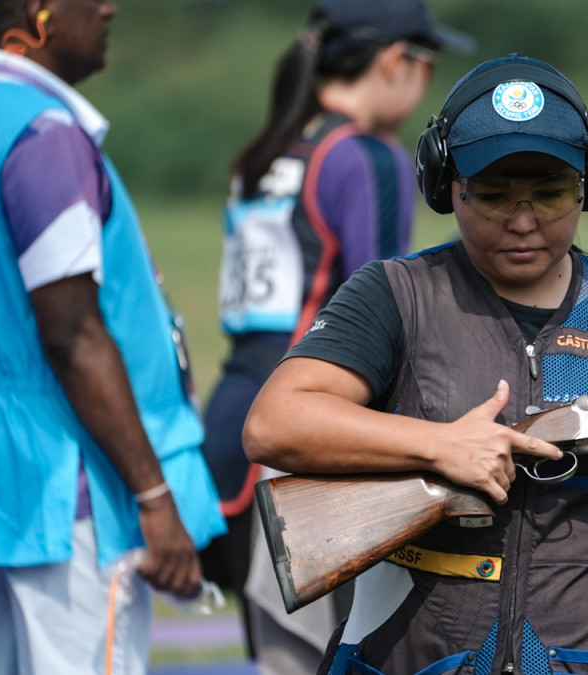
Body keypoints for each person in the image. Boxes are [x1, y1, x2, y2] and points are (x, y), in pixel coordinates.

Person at [243, 53, 588, 675]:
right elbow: (275, 423)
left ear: (587, 188)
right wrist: (440, 446)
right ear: (447, 187)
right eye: (491, 196)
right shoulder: (394, 293)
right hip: (415, 655)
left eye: (550, 195)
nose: (522, 222)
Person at [197, 0, 472, 671]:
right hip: (309, 440)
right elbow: (387, 317)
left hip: (230, 431)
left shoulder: (264, 152)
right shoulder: (365, 156)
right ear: (392, 61)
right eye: (425, 64)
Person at [0, 0, 227, 673]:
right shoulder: (43, 135)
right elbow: (72, 333)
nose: (110, 7)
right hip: (68, 488)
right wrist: (153, 494)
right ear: (36, 14)